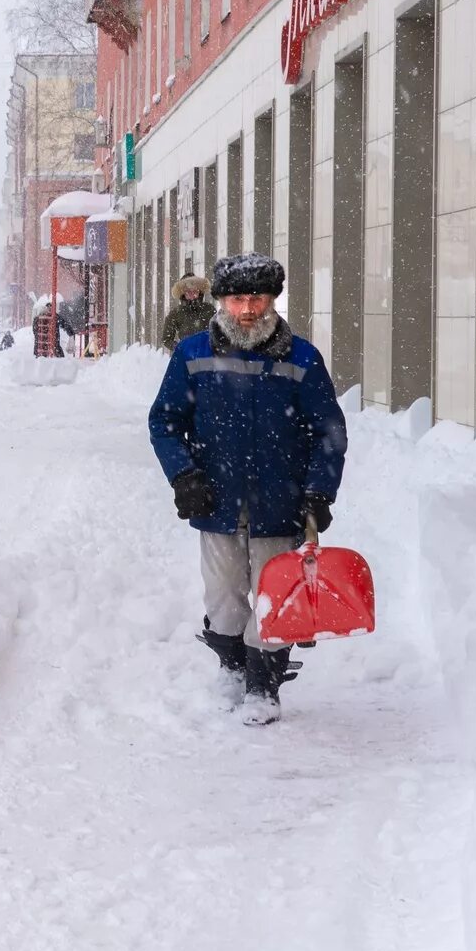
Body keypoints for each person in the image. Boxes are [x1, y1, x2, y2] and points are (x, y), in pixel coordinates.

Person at [147, 253, 347, 726]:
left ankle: (264, 683)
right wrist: (184, 476)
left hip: (280, 502)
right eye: (237, 299)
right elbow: (165, 421)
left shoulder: (301, 357)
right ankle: (232, 667)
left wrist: (319, 492)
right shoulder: (193, 354)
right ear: (221, 302)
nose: (248, 309)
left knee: (272, 594)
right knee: (223, 594)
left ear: (273, 300)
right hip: (215, 500)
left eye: (257, 298)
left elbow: (328, 430)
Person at [159, 274, 214, 351]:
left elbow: (219, 332)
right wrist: (180, 348)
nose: (192, 295)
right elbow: (166, 339)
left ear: (200, 292)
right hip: (186, 358)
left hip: (207, 356)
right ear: (183, 294)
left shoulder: (209, 309)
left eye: (195, 291)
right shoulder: (176, 313)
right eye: (188, 292)